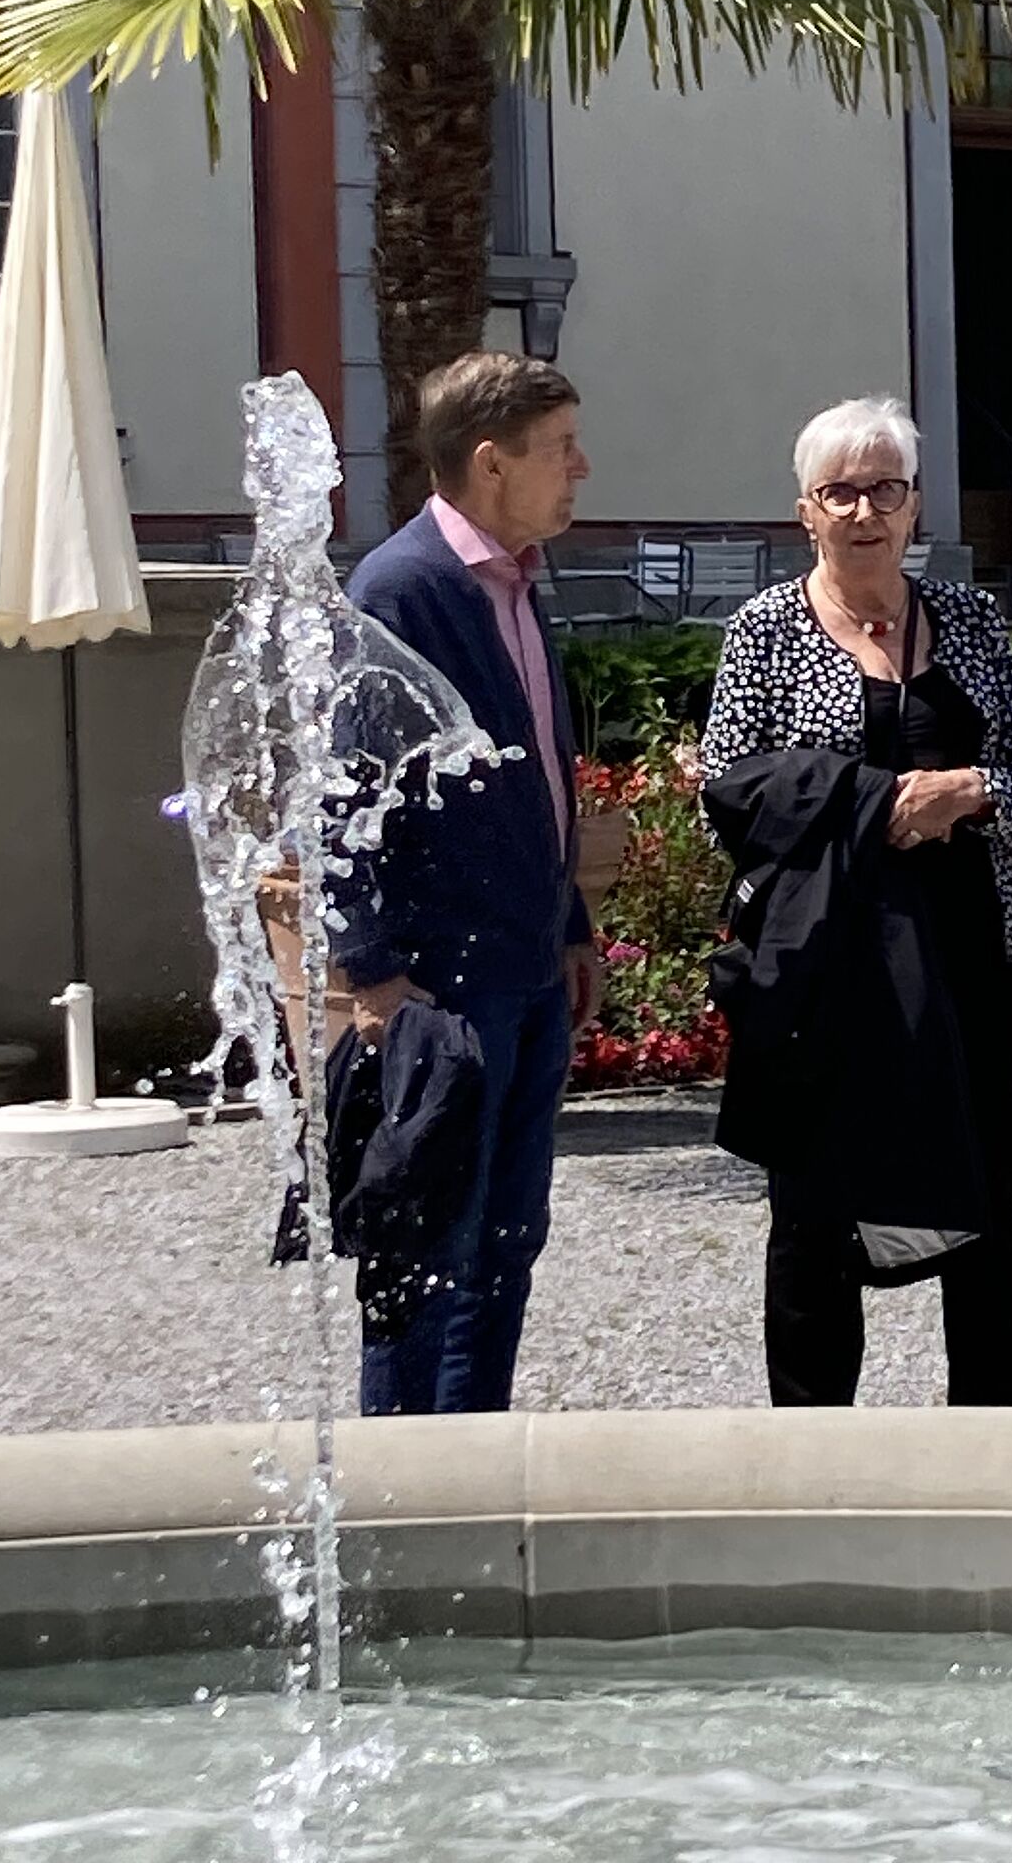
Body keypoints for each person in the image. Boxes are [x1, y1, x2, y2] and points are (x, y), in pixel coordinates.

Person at [699, 395, 1012, 1407]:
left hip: (968, 956)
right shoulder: (765, 629)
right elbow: (722, 795)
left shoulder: (970, 620)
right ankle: (811, 1445)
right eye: (840, 492)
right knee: (815, 1216)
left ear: (916, 504)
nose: (865, 512)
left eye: (885, 490)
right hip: (824, 970)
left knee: (990, 1207)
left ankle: (997, 1440)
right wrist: (871, 804)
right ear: (805, 511)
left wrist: (969, 790)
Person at [333, 352, 598, 1415]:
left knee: (505, 1241)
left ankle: (474, 1462)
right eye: (560, 448)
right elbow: (345, 795)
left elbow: (534, 775)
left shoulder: (518, 581)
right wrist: (372, 975)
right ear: (492, 463)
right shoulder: (401, 591)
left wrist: (569, 921)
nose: (581, 467)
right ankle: (403, 1478)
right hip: (443, 984)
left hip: (525, 968)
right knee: (427, 1252)